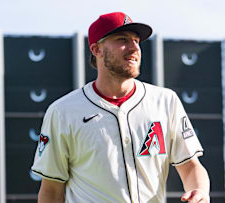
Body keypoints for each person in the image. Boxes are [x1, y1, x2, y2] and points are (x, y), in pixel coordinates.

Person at [31, 11, 210, 203]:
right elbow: (51, 189)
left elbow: (190, 166)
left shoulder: (166, 101)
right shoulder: (62, 111)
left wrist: (199, 191)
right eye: (123, 39)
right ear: (96, 50)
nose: (134, 47)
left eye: (136, 40)